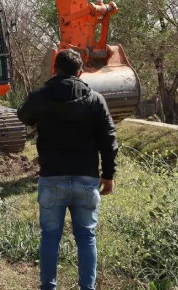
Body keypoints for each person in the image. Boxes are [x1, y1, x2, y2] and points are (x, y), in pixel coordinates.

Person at [16, 49, 118, 290]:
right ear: (81, 72)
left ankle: (48, 287)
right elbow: (109, 138)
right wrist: (109, 174)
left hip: (52, 178)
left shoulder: (40, 97)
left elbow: (23, 115)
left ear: (55, 69)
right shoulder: (95, 100)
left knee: (50, 236)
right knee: (86, 238)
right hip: (86, 179)